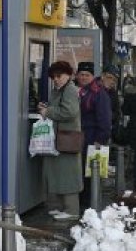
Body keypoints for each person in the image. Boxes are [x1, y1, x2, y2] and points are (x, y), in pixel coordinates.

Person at [37, 61, 83, 221]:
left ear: (68, 75)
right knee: (57, 174)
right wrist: (46, 108)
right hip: (59, 138)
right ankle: (61, 207)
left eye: (59, 76)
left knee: (68, 175)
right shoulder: (58, 90)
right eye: (54, 76)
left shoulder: (69, 90)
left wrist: (48, 111)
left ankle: (72, 210)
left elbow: (69, 111)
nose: (56, 79)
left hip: (66, 139)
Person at [76, 61, 112, 209]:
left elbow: (104, 118)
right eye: (81, 74)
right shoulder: (79, 90)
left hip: (91, 138)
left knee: (89, 173)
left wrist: (100, 139)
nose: (83, 77)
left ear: (92, 76)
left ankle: (88, 206)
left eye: (87, 75)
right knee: (82, 171)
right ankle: (83, 203)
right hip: (79, 137)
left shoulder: (98, 93)